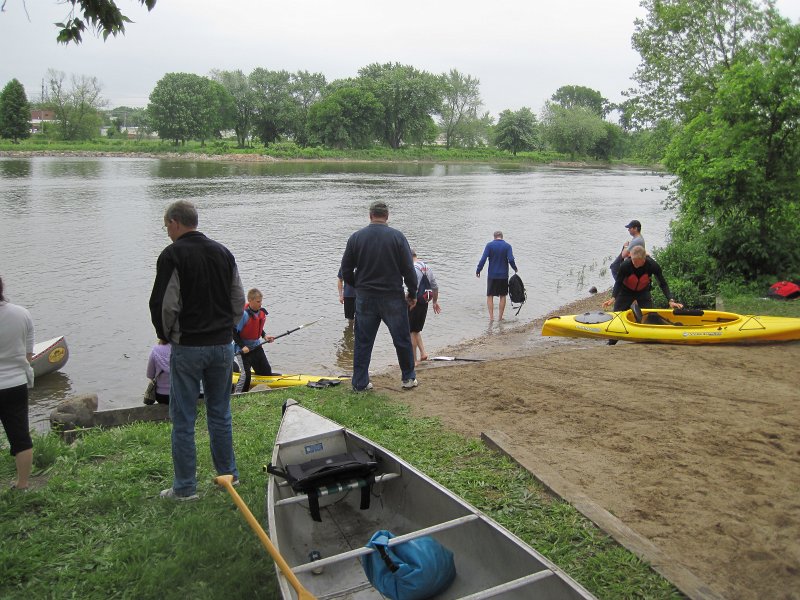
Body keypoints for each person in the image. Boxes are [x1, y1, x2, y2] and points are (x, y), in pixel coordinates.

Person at [149, 200, 245, 501]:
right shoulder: (223, 252)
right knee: (220, 412)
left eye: (166, 226)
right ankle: (229, 474)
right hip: (223, 346)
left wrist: (165, 335)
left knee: (183, 418)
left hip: (189, 346)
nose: (167, 231)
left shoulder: (172, 255)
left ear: (175, 222)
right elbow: (238, 300)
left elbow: (165, 304)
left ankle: (185, 488)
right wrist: (226, 330)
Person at [340, 200, 418, 392]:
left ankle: (360, 382)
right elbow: (408, 269)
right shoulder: (397, 237)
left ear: (370, 216)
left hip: (365, 297)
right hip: (392, 296)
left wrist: (357, 286)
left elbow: (345, 270)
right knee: (401, 339)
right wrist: (412, 293)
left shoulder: (356, 238)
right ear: (387, 216)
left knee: (363, 341)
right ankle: (408, 378)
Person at [0, 277, 34, 492]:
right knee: (21, 437)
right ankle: (22, 484)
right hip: (15, 384)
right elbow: (28, 355)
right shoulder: (22, 314)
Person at [603, 245, 683, 312]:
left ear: (644, 259)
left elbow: (662, 283)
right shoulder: (626, 265)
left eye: (637, 262)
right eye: (633, 260)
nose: (634, 264)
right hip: (626, 291)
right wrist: (613, 298)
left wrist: (670, 300)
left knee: (648, 315)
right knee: (617, 314)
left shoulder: (652, 265)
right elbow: (618, 282)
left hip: (643, 292)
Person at [233, 288, 275, 394]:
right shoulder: (243, 315)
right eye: (258, 301)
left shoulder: (260, 313)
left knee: (266, 373)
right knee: (246, 376)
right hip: (243, 350)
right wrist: (242, 346)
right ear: (250, 301)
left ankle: (259, 391)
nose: (260, 304)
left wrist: (265, 336)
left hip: (256, 347)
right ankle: (238, 395)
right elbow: (233, 332)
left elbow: (256, 327)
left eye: (261, 301)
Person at [476, 231, 518, 320]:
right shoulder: (507, 246)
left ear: (494, 237)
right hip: (503, 275)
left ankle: (491, 318)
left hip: (492, 275)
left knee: (490, 295)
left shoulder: (489, 245)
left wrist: (478, 269)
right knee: (502, 295)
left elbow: (483, 259)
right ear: (502, 237)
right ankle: (500, 317)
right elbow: (511, 259)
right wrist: (515, 268)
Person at [409, 250, 441, 365]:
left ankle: (414, 360)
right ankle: (423, 353)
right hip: (425, 301)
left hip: (415, 302)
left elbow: (413, 288)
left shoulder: (413, 268)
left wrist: (408, 300)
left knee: (411, 331)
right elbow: (435, 287)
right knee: (416, 329)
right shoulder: (427, 267)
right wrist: (435, 302)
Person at [145, 340, 171, 405]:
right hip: (180, 394)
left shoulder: (155, 350)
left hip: (161, 395)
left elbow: (150, 375)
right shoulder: (182, 349)